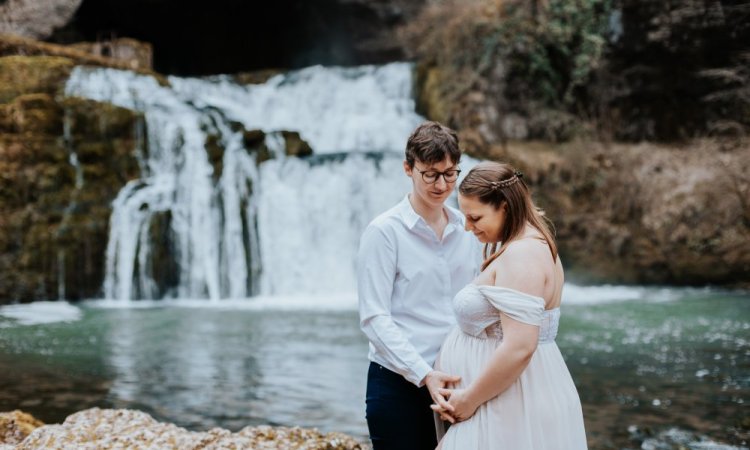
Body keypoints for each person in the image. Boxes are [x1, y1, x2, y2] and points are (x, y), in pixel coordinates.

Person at [432, 161, 588, 449]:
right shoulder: (525, 245)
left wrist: (469, 399)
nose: (468, 227)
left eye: (475, 218)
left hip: (509, 401)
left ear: (504, 205)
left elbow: (520, 346)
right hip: (502, 398)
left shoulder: (524, 254)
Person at [357, 121, 482, 450]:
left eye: (450, 173)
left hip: (459, 383)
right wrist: (424, 374)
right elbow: (374, 318)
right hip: (399, 386)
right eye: (430, 174)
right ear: (408, 168)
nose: (442, 185)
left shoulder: (468, 228)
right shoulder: (384, 232)